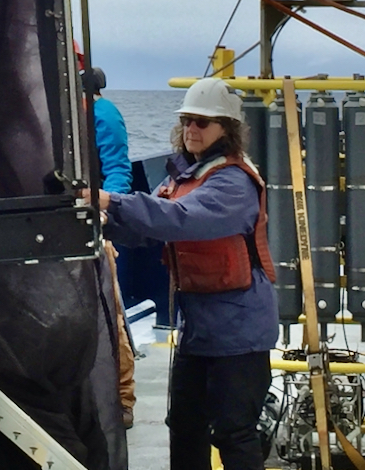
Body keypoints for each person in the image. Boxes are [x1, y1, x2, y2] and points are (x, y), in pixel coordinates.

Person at [85, 77, 278, 470]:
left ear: (226, 130)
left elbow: (180, 219)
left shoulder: (233, 181)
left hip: (238, 332)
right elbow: (147, 226)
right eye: (188, 120)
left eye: (202, 122)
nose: (192, 129)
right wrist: (101, 220)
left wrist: (112, 199)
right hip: (198, 330)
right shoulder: (183, 177)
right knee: (185, 425)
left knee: (233, 431)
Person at [84, 66, 136, 428]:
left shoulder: (102, 114)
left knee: (110, 314)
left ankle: (122, 398)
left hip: (94, 230)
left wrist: (105, 209)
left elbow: (118, 169)